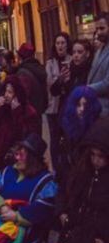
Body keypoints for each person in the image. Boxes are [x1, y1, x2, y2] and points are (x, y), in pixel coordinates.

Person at [0, 77, 38, 172]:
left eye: (10, 92)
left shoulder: (28, 112)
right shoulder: (3, 108)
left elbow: (23, 136)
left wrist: (16, 112)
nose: (6, 95)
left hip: (16, 161)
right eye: (5, 91)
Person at [45, 32, 72, 178]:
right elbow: (50, 86)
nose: (60, 46)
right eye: (58, 43)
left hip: (68, 106)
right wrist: (60, 79)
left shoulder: (72, 60)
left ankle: (68, 168)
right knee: (55, 139)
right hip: (54, 108)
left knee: (68, 138)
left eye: (62, 43)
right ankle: (56, 170)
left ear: (67, 44)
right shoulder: (50, 63)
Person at [88, 14, 109, 117]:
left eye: (102, 28)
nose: (99, 32)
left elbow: (107, 84)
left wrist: (85, 89)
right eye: (97, 29)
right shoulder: (100, 50)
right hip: (97, 109)